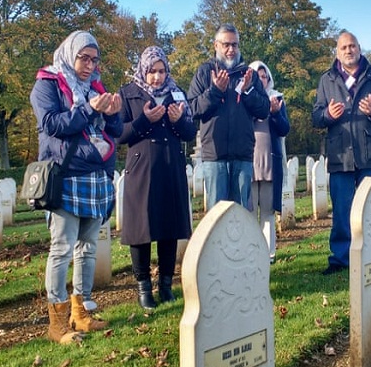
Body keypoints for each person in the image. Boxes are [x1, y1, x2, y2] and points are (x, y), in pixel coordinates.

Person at [30, 30, 122, 344]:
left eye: (95, 60)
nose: (90, 65)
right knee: (62, 248)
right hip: (66, 174)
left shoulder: (96, 87)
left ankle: (80, 312)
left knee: (88, 247)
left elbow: (114, 131)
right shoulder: (47, 83)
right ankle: (57, 324)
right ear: (70, 54)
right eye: (84, 58)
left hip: (95, 175)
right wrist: (89, 109)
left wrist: (113, 113)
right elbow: (51, 124)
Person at [118, 46, 197, 310]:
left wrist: (178, 120)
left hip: (170, 166)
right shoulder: (128, 93)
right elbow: (118, 134)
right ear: (143, 70)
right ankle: (143, 287)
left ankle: (165, 285)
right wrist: (144, 120)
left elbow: (189, 133)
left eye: (162, 71)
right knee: (141, 229)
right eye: (152, 71)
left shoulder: (176, 93)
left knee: (169, 227)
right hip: (142, 168)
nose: (157, 77)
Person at [312, 31, 371, 275]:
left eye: (352, 46)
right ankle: (341, 259)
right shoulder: (326, 80)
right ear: (337, 52)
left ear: (359, 48)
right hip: (340, 156)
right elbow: (316, 117)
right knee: (342, 211)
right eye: (344, 47)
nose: (349, 50)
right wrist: (328, 115)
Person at [187, 24, 270, 211]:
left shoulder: (249, 75)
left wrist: (248, 90)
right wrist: (215, 91)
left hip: (242, 156)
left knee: (241, 215)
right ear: (216, 45)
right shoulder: (205, 72)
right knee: (217, 216)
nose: (231, 50)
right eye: (226, 45)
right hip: (214, 156)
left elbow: (264, 110)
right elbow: (191, 109)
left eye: (235, 45)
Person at [248, 60, 291, 261]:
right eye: (257, 76)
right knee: (249, 212)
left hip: (270, 163)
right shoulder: (244, 98)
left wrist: (275, 114)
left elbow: (284, 129)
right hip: (248, 163)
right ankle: (250, 252)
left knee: (267, 211)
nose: (262, 80)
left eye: (264, 76)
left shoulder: (277, 98)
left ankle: (268, 254)